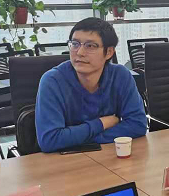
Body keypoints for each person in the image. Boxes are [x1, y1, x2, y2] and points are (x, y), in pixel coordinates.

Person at [35, 17, 147, 152]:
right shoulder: (52, 81)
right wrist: (102, 123)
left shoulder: (120, 76)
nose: (80, 53)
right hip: (65, 161)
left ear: (109, 52)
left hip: (108, 155)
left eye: (90, 46)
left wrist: (79, 139)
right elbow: (50, 140)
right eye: (75, 44)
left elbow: (138, 124)